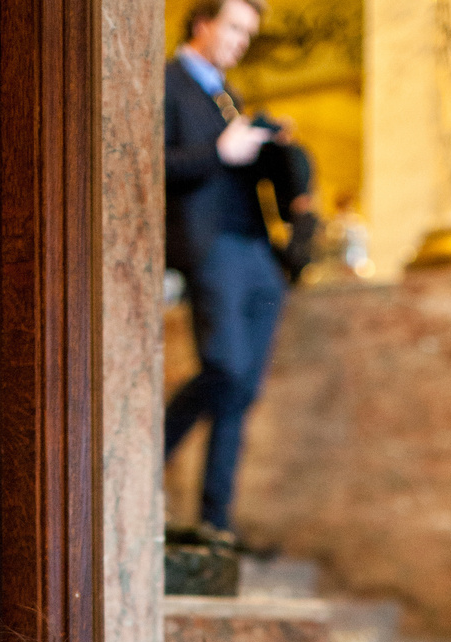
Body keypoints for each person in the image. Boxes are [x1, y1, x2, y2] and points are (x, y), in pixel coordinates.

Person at [165, 0, 317, 546]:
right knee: (225, 370)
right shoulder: (168, 81)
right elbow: (147, 162)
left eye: (248, 34)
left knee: (242, 391)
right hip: (211, 249)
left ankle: (216, 521)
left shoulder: (228, 96)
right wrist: (220, 150)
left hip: (257, 252)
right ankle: (139, 465)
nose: (241, 41)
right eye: (234, 28)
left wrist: (269, 143)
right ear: (202, 23)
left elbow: (242, 167)